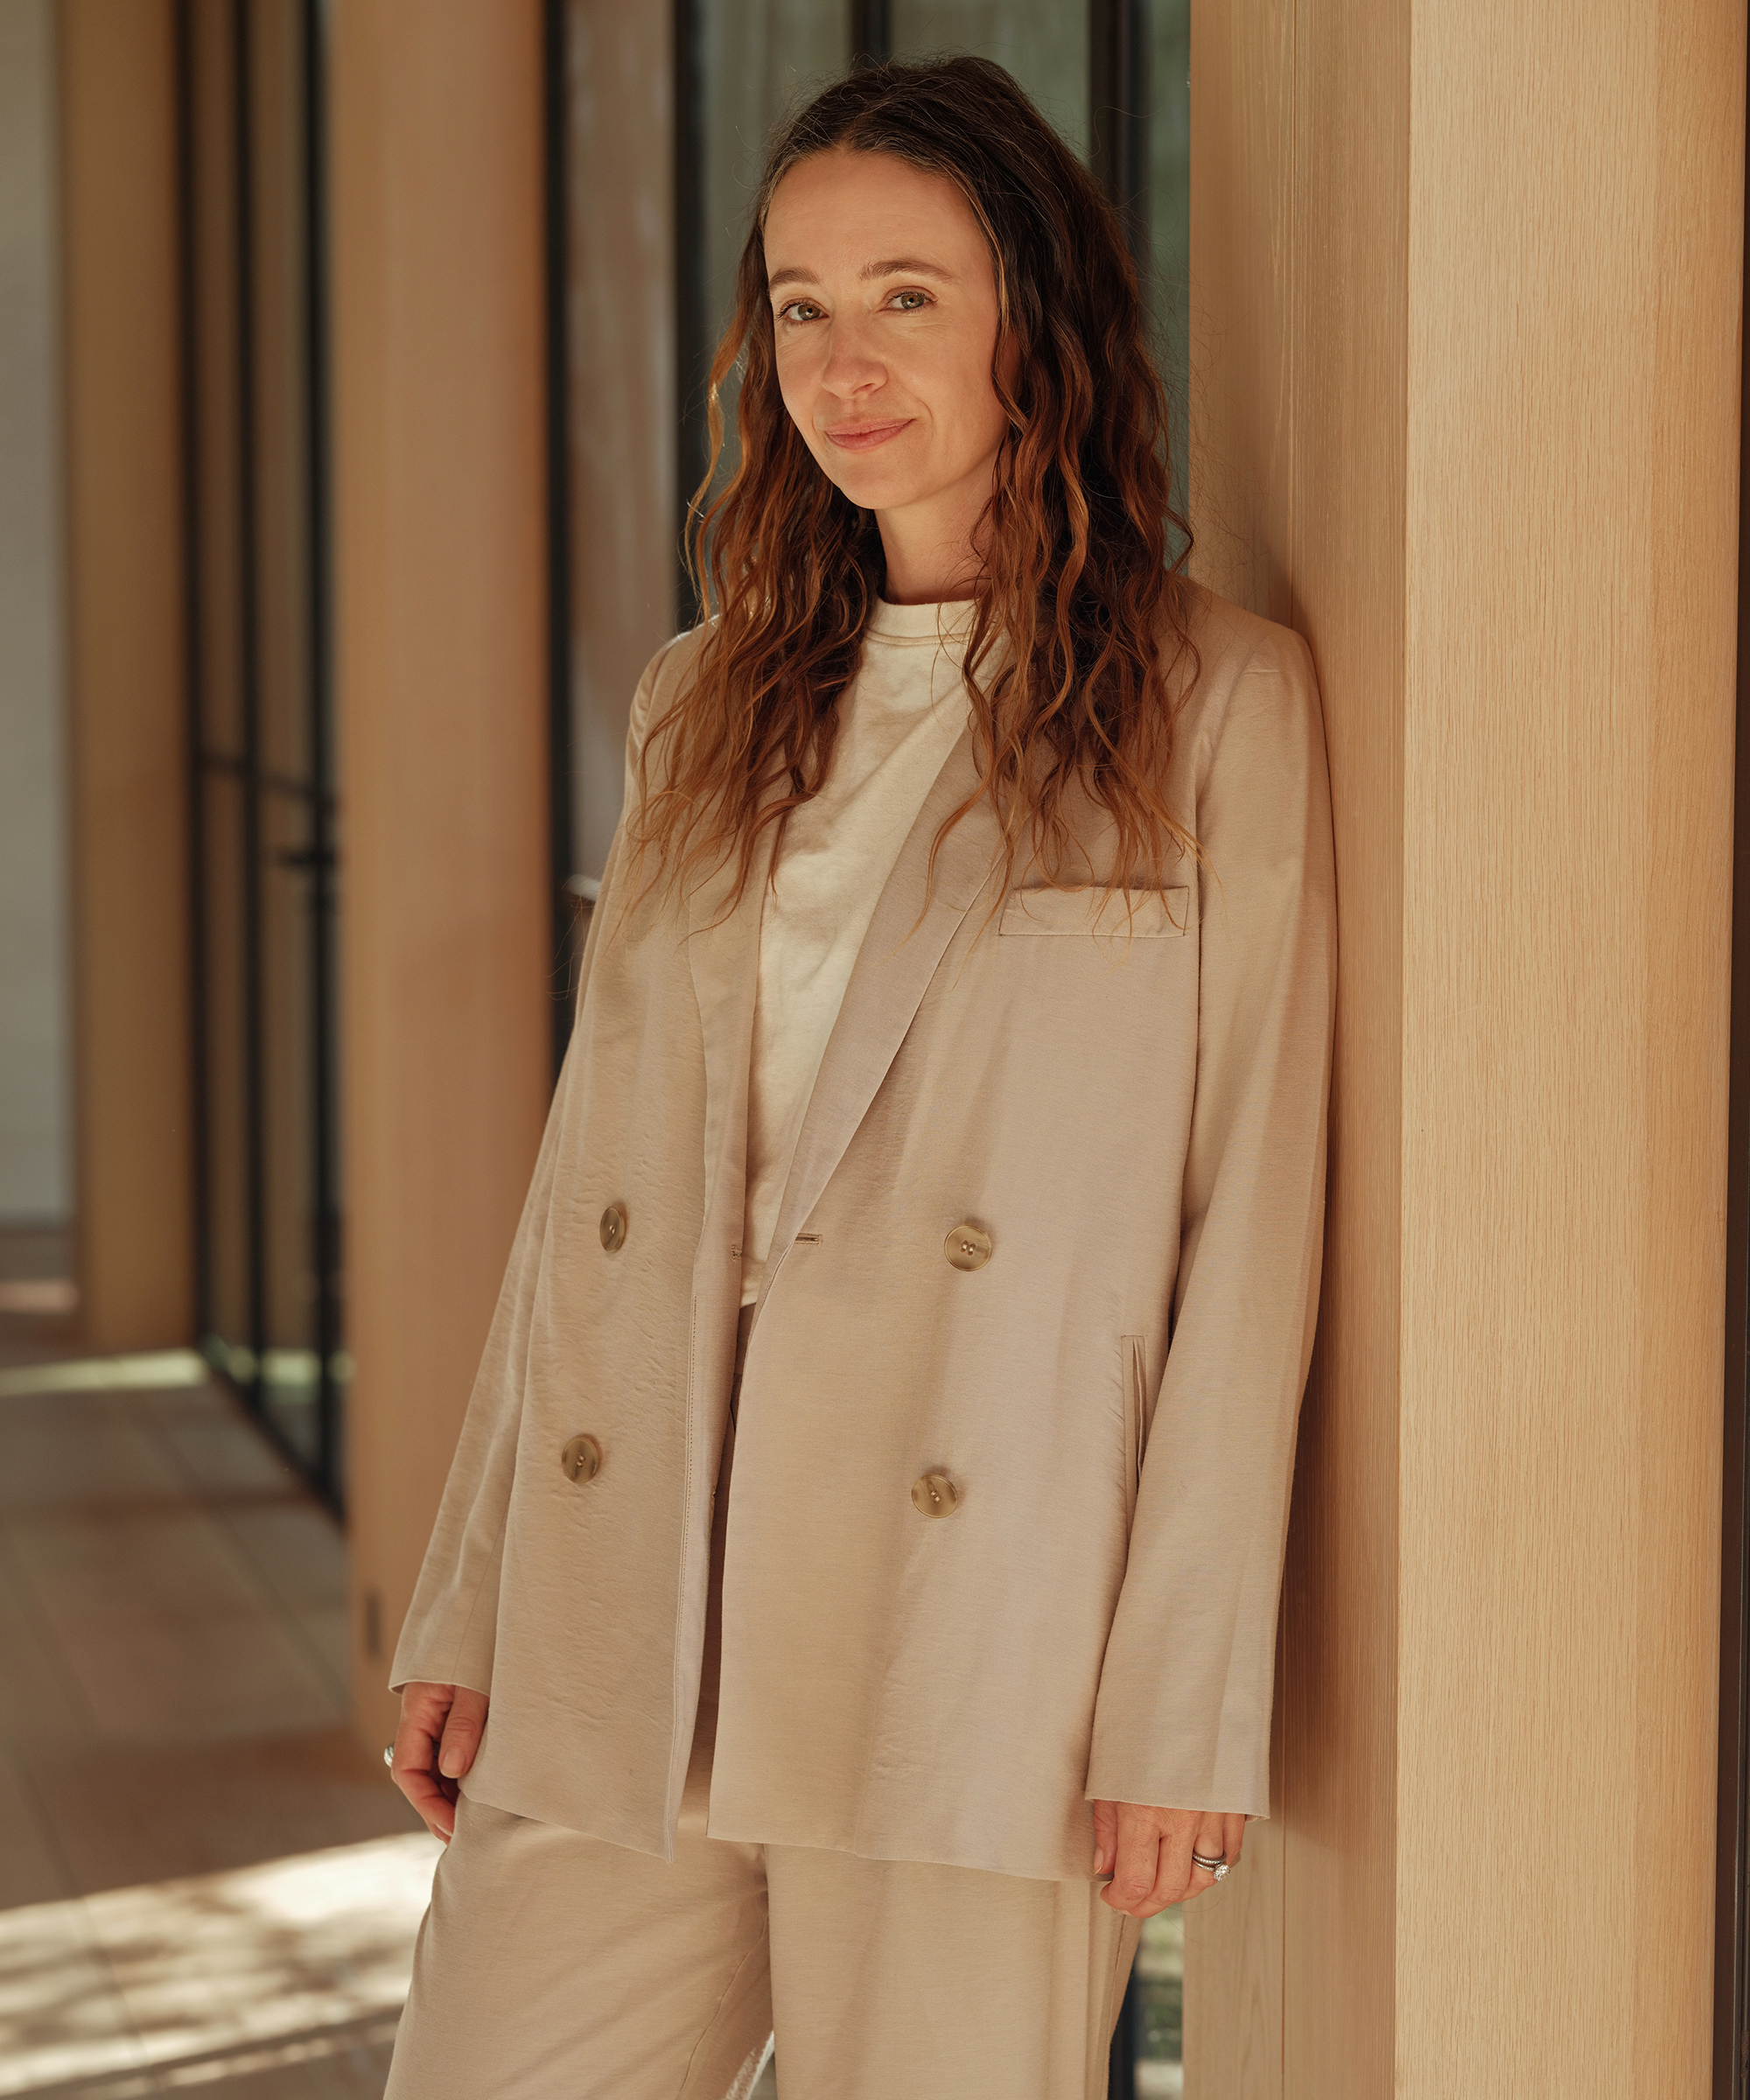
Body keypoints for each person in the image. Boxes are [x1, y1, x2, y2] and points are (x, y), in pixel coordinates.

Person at [382, 52, 1334, 2100]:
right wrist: (471, 1589)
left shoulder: (1213, 705)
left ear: (1035, 321)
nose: (842, 361)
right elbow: (589, 1199)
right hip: (633, 1590)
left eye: (908, 293)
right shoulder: (702, 700)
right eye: (801, 305)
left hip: (967, 1625)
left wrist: (1181, 1699)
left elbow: (1248, 1233)